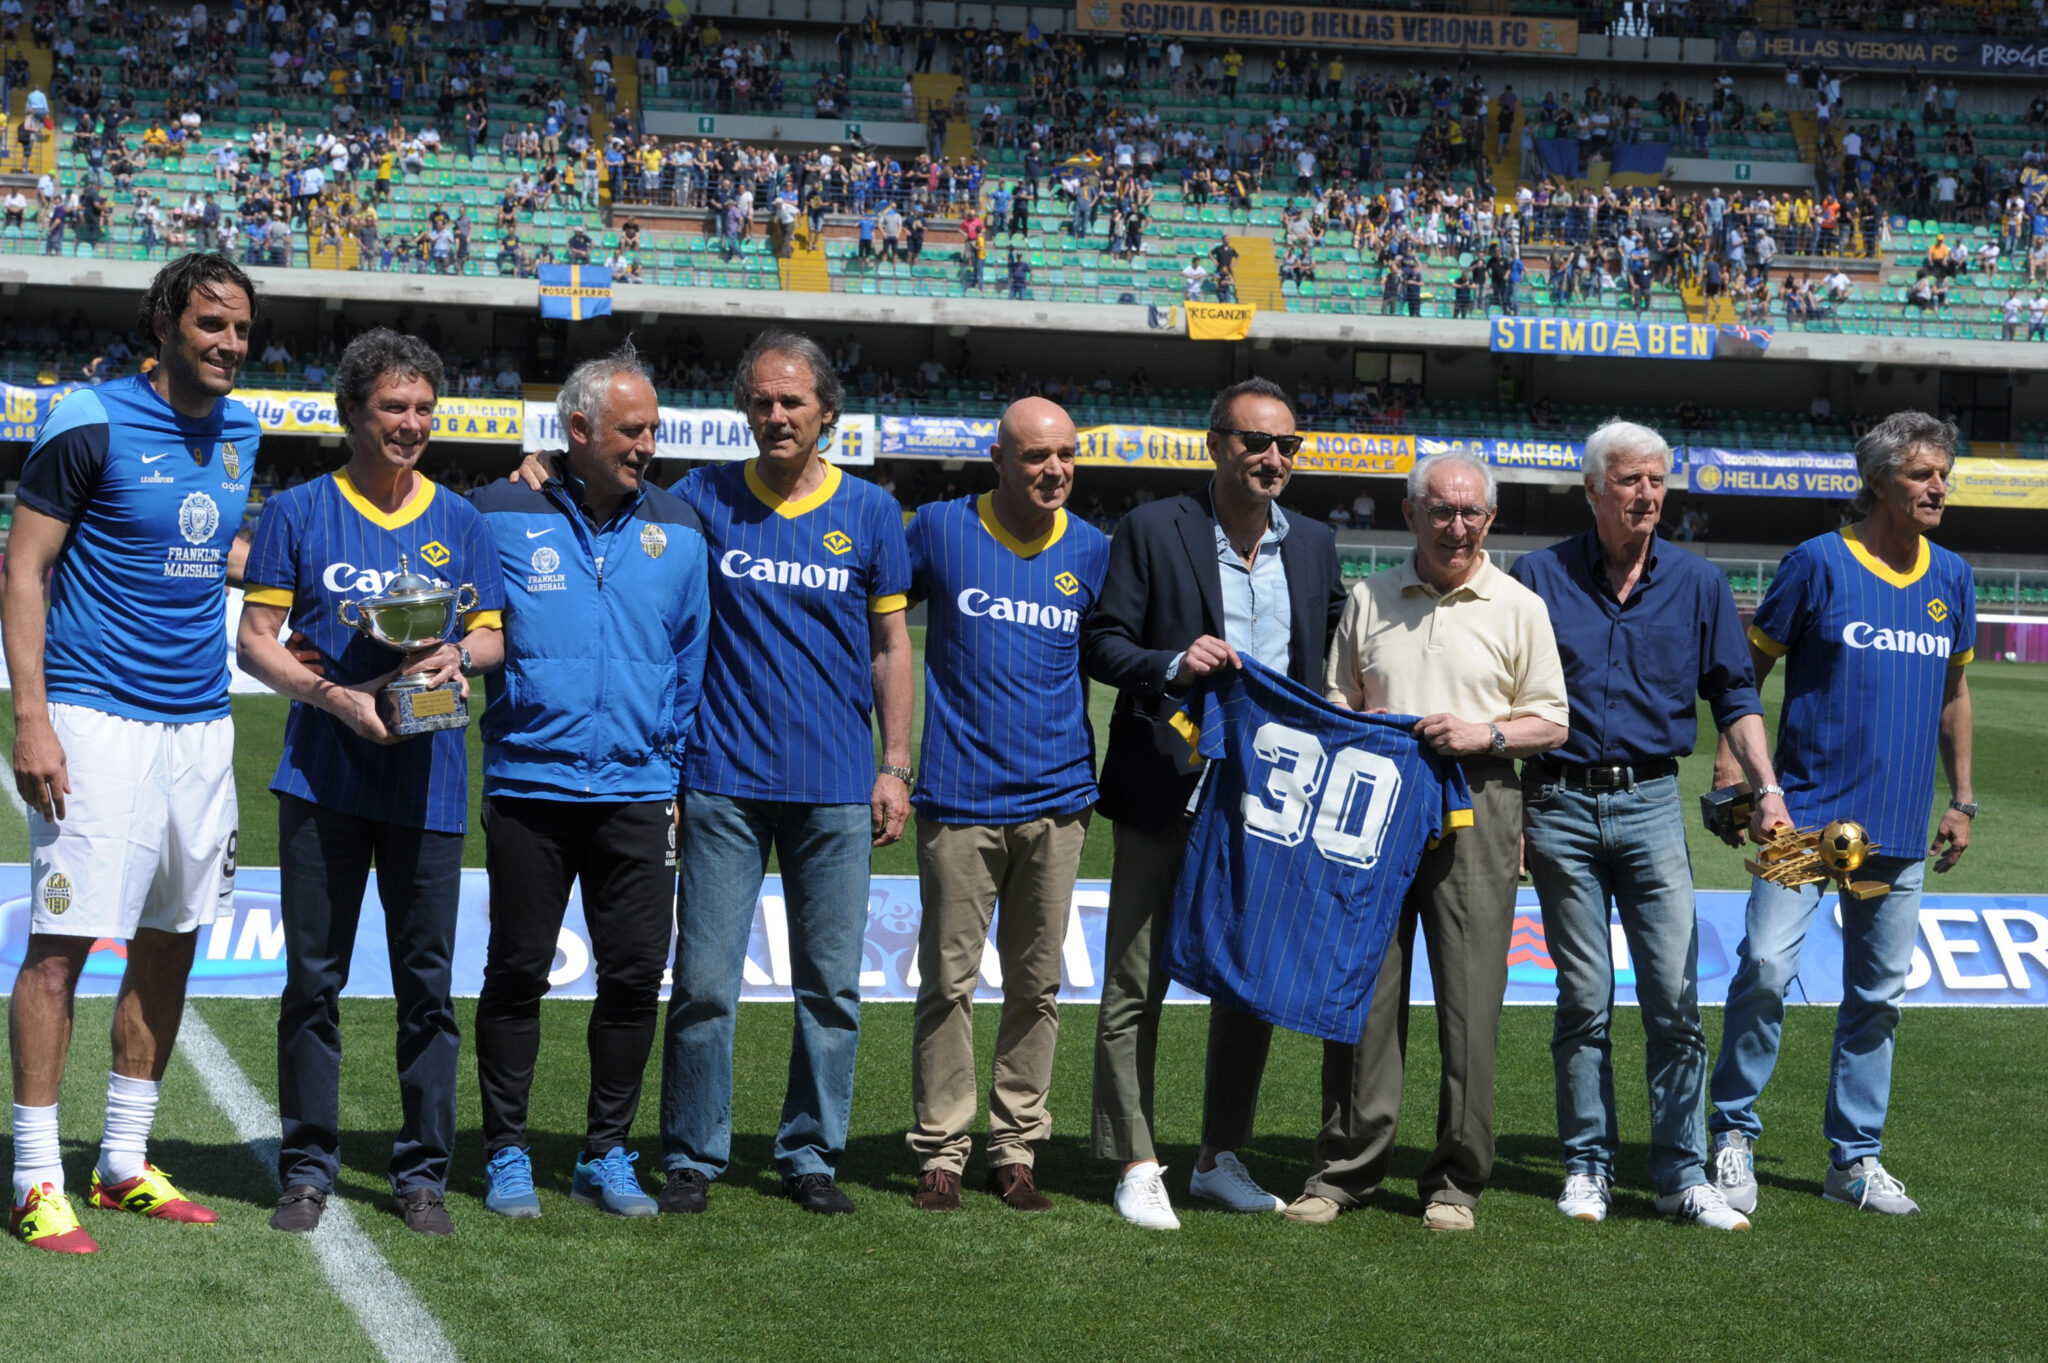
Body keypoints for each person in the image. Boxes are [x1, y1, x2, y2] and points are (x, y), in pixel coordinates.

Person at [5, 254, 261, 1255]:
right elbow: (25, 569)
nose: (229, 344)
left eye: (241, 328)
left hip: (200, 724)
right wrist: (32, 716)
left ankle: (121, 1162)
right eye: (211, 325)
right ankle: (34, 1176)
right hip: (94, 716)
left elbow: (208, 554)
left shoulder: (241, 430)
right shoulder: (88, 419)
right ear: (166, 324)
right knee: (63, 945)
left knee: (172, 932)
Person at [238, 329, 508, 1238]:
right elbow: (256, 639)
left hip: (428, 783)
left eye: (424, 408)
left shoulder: (461, 522)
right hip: (322, 778)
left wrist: (453, 657)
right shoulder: (298, 511)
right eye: (394, 407)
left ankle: (421, 1173)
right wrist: (335, 696)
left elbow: (495, 637)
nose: (411, 423)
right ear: (352, 412)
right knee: (312, 980)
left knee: (426, 987)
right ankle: (308, 1167)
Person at [1508, 420, 1790, 1232]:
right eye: (1630, 481)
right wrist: (1518, 811)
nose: (1647, 496)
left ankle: (1679, 1172)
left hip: (1652, 803)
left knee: (1673, 997)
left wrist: (1765, 785)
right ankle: (1587, 1164)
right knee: (1584, 997)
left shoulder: (1699, 586)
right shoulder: (1536, 577)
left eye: (1658, 481)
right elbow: (1511, 698)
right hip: (1557, 804)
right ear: (1593, 488)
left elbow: (1735, 696)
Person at [1081, 377, 1347, 1230]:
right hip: (1166, 781)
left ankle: (1217, 1155)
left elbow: (1333, 656)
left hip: (1268, 799)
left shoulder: (1314, 543)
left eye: (1287, 446)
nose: (1273, 458)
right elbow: (1104, 642)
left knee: (1250, 983)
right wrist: (1171, 661)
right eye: (1254, 442)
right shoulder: (1153, 527)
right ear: (1215, 444)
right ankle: (1135, 1158)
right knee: (1135, 980)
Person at [660, 331, 911, 1216]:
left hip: (839, 786)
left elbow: (890, 647)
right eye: (762, 401)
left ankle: (810, 1151)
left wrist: (895, 764)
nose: (775, 415)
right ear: (744, 409)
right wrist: (537, 475)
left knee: (832, 989)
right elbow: (617, 503)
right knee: (701, 985)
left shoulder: (873, 512)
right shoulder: (700, 498)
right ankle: (692, 1150)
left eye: (792, 401)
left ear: (825, 413)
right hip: (722, 778)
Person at [1708, 411, 1976, 1218]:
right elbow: (1742, 674)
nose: (1939, 486)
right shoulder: (1817, 563)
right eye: (1923, 474)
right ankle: (1731, 1133)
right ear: (1879, 481)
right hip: (1804, 822)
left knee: (1878, 998)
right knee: (1761, 966)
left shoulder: (1952, 576)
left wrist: (1962, 797)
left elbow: (1956, 697)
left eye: (1943, 473)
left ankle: (1854, 1160)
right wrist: (1738, 774)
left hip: (1895, 831)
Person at [1296, 451, 1569, 1231]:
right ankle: (1345, 1167)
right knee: (1363, 996)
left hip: (1478, 801)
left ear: (1490, 519)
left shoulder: (1519, 605)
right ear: (1410, 513)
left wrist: (1483, 731)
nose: (1457, 526)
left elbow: (1551, 719)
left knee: (1470, 1001)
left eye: (1471, 513)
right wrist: (1361, 721)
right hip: (1376, 803)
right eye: (1441, 511)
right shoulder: (1369, 596)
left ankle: (1456, 1178)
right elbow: (1336, 698)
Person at [467, 344, 710, 1220]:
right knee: (517, 970)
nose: (647, 443)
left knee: (634, 975)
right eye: (631, 428)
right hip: (531, 783)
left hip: (640, 791)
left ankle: (605, 1152)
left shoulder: (679, 527)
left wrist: (672, 767)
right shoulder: (496, 510)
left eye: (653, 428)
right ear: (578, 429)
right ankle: (506, 1150)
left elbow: (691, 658)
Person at [903, 398, 1110, 1213]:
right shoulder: (940, 529)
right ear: (996, 457)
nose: (1053, 469)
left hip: (1059, 802)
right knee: (947, 983)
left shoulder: (1093, 548)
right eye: (1034, 456)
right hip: (958, 797)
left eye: (1065, 454)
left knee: (1037, 984)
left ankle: (1016, 1145)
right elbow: (872, 607)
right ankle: (942, 1149)